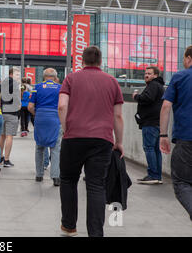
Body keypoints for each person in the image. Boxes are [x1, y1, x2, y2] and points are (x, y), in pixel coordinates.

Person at [58, 46, 124, 237]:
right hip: (102, 140)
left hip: (73, 138)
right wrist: (118, 141)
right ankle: (95, 233)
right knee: (96, 185)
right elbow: (118, 116)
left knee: (68, 180)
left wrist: (66, 129)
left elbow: (62, 106)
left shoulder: (71, 79)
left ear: (82, 61)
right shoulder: (112, 82)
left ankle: (69, 226)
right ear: (100, 62)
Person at [160, 45, 192, 221]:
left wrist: (163, 135)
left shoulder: (180, 76)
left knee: (182, 183)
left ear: (188, 58)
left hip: (186, 138)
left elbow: (166, 106)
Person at [28, 68, 62, 186]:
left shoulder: (36, 88)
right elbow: (63, 106)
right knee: (55, 147)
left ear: (44, 76)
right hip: (54, 118)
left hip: (41, 117)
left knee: (39, 147)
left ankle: (39, 174)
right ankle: (56, 177)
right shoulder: (60, 88)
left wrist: (36, 114)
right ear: (55, 77)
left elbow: (30, 107)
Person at [133, 66, 165, 184]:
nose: (146, 75)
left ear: (155, 75)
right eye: (145, 73)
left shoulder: (153, 85)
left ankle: (152, 175)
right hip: (157, 123)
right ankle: (157, 176)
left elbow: (148, 98)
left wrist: (136, 96)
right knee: (156, 149)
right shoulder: (159, 86)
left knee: (149, 148)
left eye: (149, 73)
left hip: (150, 123)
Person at [0, 67, 21, 167]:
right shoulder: (15, 84)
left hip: (2, 111)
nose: (18, 76)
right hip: (12, 112)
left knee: (1, 136)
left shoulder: (2, 83)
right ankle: (6, 160)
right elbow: (16, 97)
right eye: (17, 74)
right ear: (11, 74)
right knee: (9, 136)